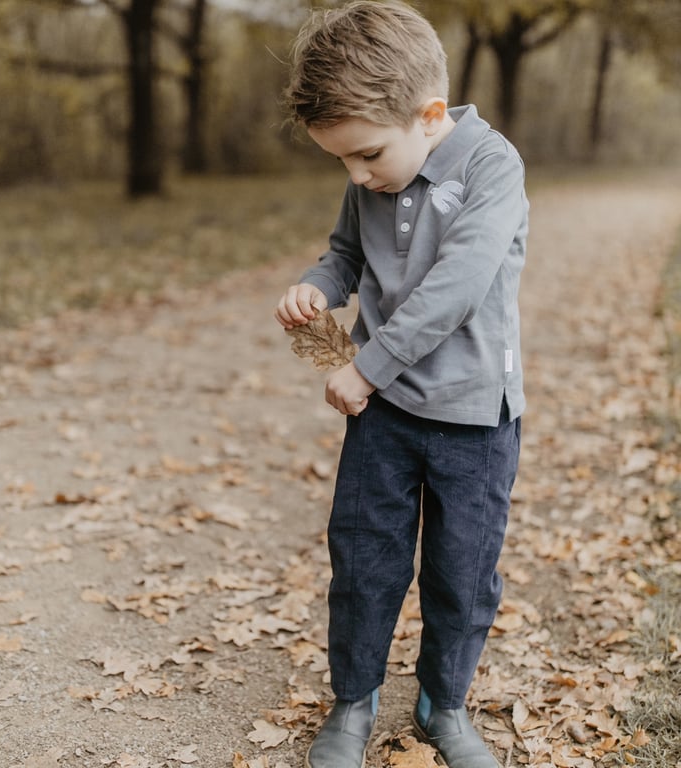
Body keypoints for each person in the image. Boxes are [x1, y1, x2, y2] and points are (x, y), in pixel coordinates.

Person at [274, 2, 528, 767]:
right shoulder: (379, 167)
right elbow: (346, 253)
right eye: (342, 163)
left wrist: (366, 366)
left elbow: (456, 288)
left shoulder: (493, 168)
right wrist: (319, 285)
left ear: (428, 114)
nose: (358, 176)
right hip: (385, 416)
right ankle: (353, 700)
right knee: (365, 557)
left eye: (367, 156)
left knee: (462, 571)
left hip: (475, 417)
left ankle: (441, 704)